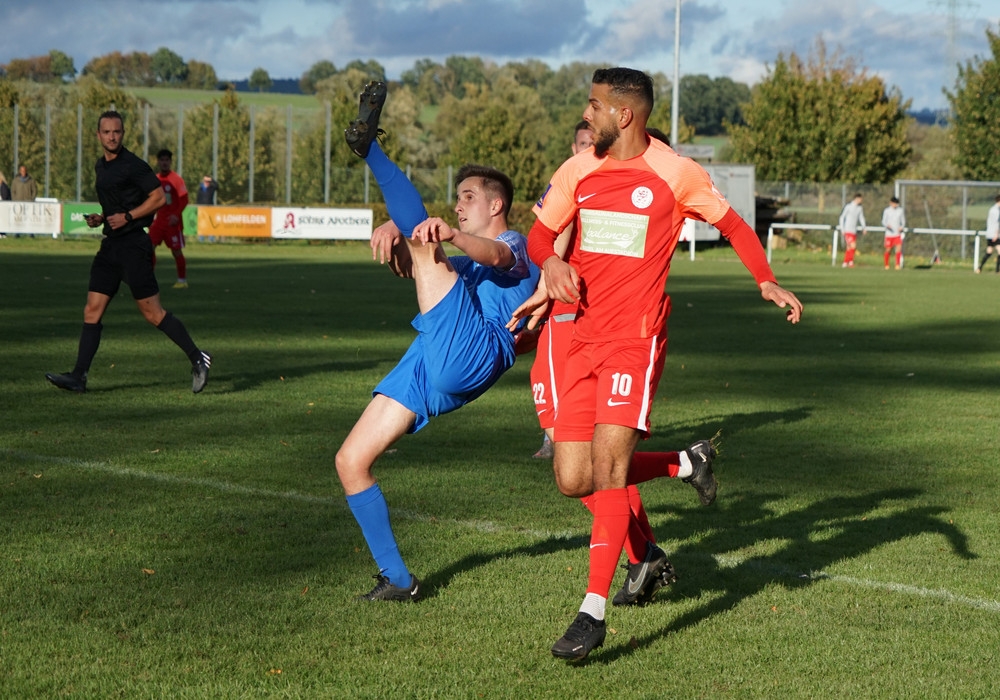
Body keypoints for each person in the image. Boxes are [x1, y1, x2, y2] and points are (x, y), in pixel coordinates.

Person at [524, 67, 802, 660]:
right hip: (580, 341)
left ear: (624, 115)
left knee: (609, 471)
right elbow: (539, 235)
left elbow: (732, 224)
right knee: (574, 479)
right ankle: (686, 462)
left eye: (595, 105)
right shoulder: (578, 169)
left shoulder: (676, 173)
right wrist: (550, 262)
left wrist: (765, 279)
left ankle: (592, 612)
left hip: (635, 341)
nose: (587, 115)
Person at [335, 81, 540, 603]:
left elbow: (496, 257)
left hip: (477, 350)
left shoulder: (516, 244)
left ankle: (371, 151)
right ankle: (398, 580)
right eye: (458, 198)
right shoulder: (462, 259)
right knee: (351, 461)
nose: (460, 205)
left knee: (426, 245)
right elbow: (418, 265)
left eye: (469, 197)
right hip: (429, 356)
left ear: (497, 203)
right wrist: (398, 235)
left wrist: (434, 235)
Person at [45, 110, 212, 394]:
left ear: (123, 134)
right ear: (98, 135)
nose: (112, 137)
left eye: (116, 132)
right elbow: (117, 203)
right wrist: (102, 217)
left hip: (134, 246)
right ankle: (78, 376)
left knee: (154, 314)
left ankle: (198, 357)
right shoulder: (101, 166)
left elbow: (158, 198)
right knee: (92, 310)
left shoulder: (134, 165)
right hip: (110, 247)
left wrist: (129, 217)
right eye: (106, 132)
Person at [148, 149, 190, 288]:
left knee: (176, 251)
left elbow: (184, 199)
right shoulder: (155, 179)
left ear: (170, 162)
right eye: (162, 160)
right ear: (158, 162)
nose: (164, 163)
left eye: (167, 160)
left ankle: (182, 281)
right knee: (148, 248)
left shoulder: (176, 179)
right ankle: (149, 279)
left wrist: (176, 215)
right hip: (159, 221)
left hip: (172, 223)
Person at [839, 193, 866, 268]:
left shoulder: (859, 208)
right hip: (847, 229)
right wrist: (842, 228)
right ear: (856, 199)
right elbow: (842, 217)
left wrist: (864, 227)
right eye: (860, 199)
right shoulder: (848, 206)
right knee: (853, 246)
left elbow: (861, 217)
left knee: (849, 247)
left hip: (854, 230)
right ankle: (850, 262)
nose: (861, 201)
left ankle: (845, 262)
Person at [976, 194, 1000, 274]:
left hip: (990, 233)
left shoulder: (992, 209)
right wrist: (996, 234)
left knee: (989, 252)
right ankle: (997, 270)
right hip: (994, 234)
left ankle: (979, 268)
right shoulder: (996, 211)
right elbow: (996, 223)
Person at [881, 196, 906, 270]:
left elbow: (903, 221)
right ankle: (886, 265)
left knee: (898, 249)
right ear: (890, 203)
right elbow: (883, 221)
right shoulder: (887, 211)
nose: (895, 205)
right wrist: (887, 225)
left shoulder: (900, 211)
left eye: (896, 204)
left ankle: (897, 265)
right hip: (889, 234)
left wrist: (901, 227)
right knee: (888, 250)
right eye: (894, 203)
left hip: (897, 234)